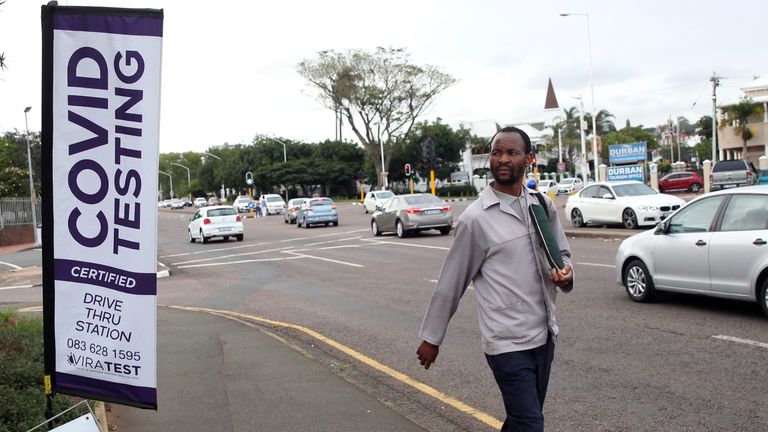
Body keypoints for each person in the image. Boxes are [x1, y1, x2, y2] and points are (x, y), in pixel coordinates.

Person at [417, 126, 574, 432]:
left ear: (528, 158)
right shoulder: (476, 219)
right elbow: (451, 282)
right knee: (530, 424)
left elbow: (563, 257)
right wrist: (432, 338)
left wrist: (566, 275)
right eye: (496, 152)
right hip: (506, 343)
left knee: (521, 420)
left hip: (544, 335)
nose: (502, 159)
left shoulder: (541, 206)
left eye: (512, 152)